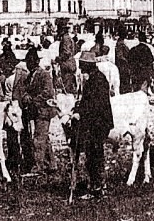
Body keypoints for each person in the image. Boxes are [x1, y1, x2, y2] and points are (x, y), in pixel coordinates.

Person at [72, 52, 113, 199]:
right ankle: (99, 185)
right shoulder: (94, 78)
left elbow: (94, 104)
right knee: (94, 154)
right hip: (96, 122)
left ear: (87, 65)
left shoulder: (97, 80)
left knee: (95, 155)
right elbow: (86, 101)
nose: (80, 68)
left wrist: (81, 113)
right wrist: (78, 108)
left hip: (98, 123)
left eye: (82, 65)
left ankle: (97, 188)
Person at [22, 48, 58, 176]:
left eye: (31, 61)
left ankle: (38, 167)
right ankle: (51, 164)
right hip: (36, 111)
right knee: (44, 138)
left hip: (44, 111)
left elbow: (48, 93)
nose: (28, 64)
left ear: (36, 61)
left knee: (38, 139)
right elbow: (26, 89)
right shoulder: (30, 76)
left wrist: (32, 100)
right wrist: (26, 95)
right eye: (27, 61)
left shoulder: (44, 74)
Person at [4, 54, 33, 174]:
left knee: (18, 136)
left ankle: (16, 160)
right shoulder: (24, 80)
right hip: (18, 110)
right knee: (20, 136)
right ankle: (20, 160)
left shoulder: (11, 80)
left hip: (17, 110)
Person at [54, 25, 77, 94]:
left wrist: (58, 59)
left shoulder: (65, 39)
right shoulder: (69, 38)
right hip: (70, 64)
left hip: (67, 65)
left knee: (66, 87)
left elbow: (66, 53)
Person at [115, 29, 131, 94]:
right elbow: (120, 56)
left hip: (122, 65)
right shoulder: (120, 44)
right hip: (122, 65)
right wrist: (126, 60)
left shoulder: (121, 44)